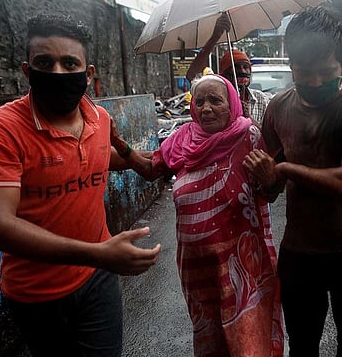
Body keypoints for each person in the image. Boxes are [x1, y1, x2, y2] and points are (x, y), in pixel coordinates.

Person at [0, 14, 161, 356]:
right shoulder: (6, 128)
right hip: (37, 292)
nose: (57, 72)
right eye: (45, 62)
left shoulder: (99, 118)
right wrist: (98, 254)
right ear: (28, 72)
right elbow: (2, 224)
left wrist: (145, 158)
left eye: (69, 62)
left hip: (96, 281)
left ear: (88, 74)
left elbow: (99, 156)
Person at [243, 5, 342, 356]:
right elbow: (270, 193)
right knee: (303, 346)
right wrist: (262, 177)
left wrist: (285, 169)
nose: (313, 83)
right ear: (291, 63)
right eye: (303, 73)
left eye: (325, 73)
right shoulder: (278, 108)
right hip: (299, 253)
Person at [116, 74, 284, 356]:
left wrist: (270, 179)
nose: (206, 108)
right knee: (209, 334)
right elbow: (151, 168)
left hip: (241, 262)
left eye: (216, 101)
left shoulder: (249, 136)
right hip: (196, 263)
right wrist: (120, 144)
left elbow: (269, 193)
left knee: (248, 339)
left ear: (231, 105)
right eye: (200, 101)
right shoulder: (183, 138)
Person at [186, 14, 270, 125]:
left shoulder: (262, 100)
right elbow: (192, 75)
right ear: (224, 73)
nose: (243, 71)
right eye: (236, 67)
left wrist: (248, 120)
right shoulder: (214, 98)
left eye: (245, 67)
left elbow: (270, 137)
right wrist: (215, 37)